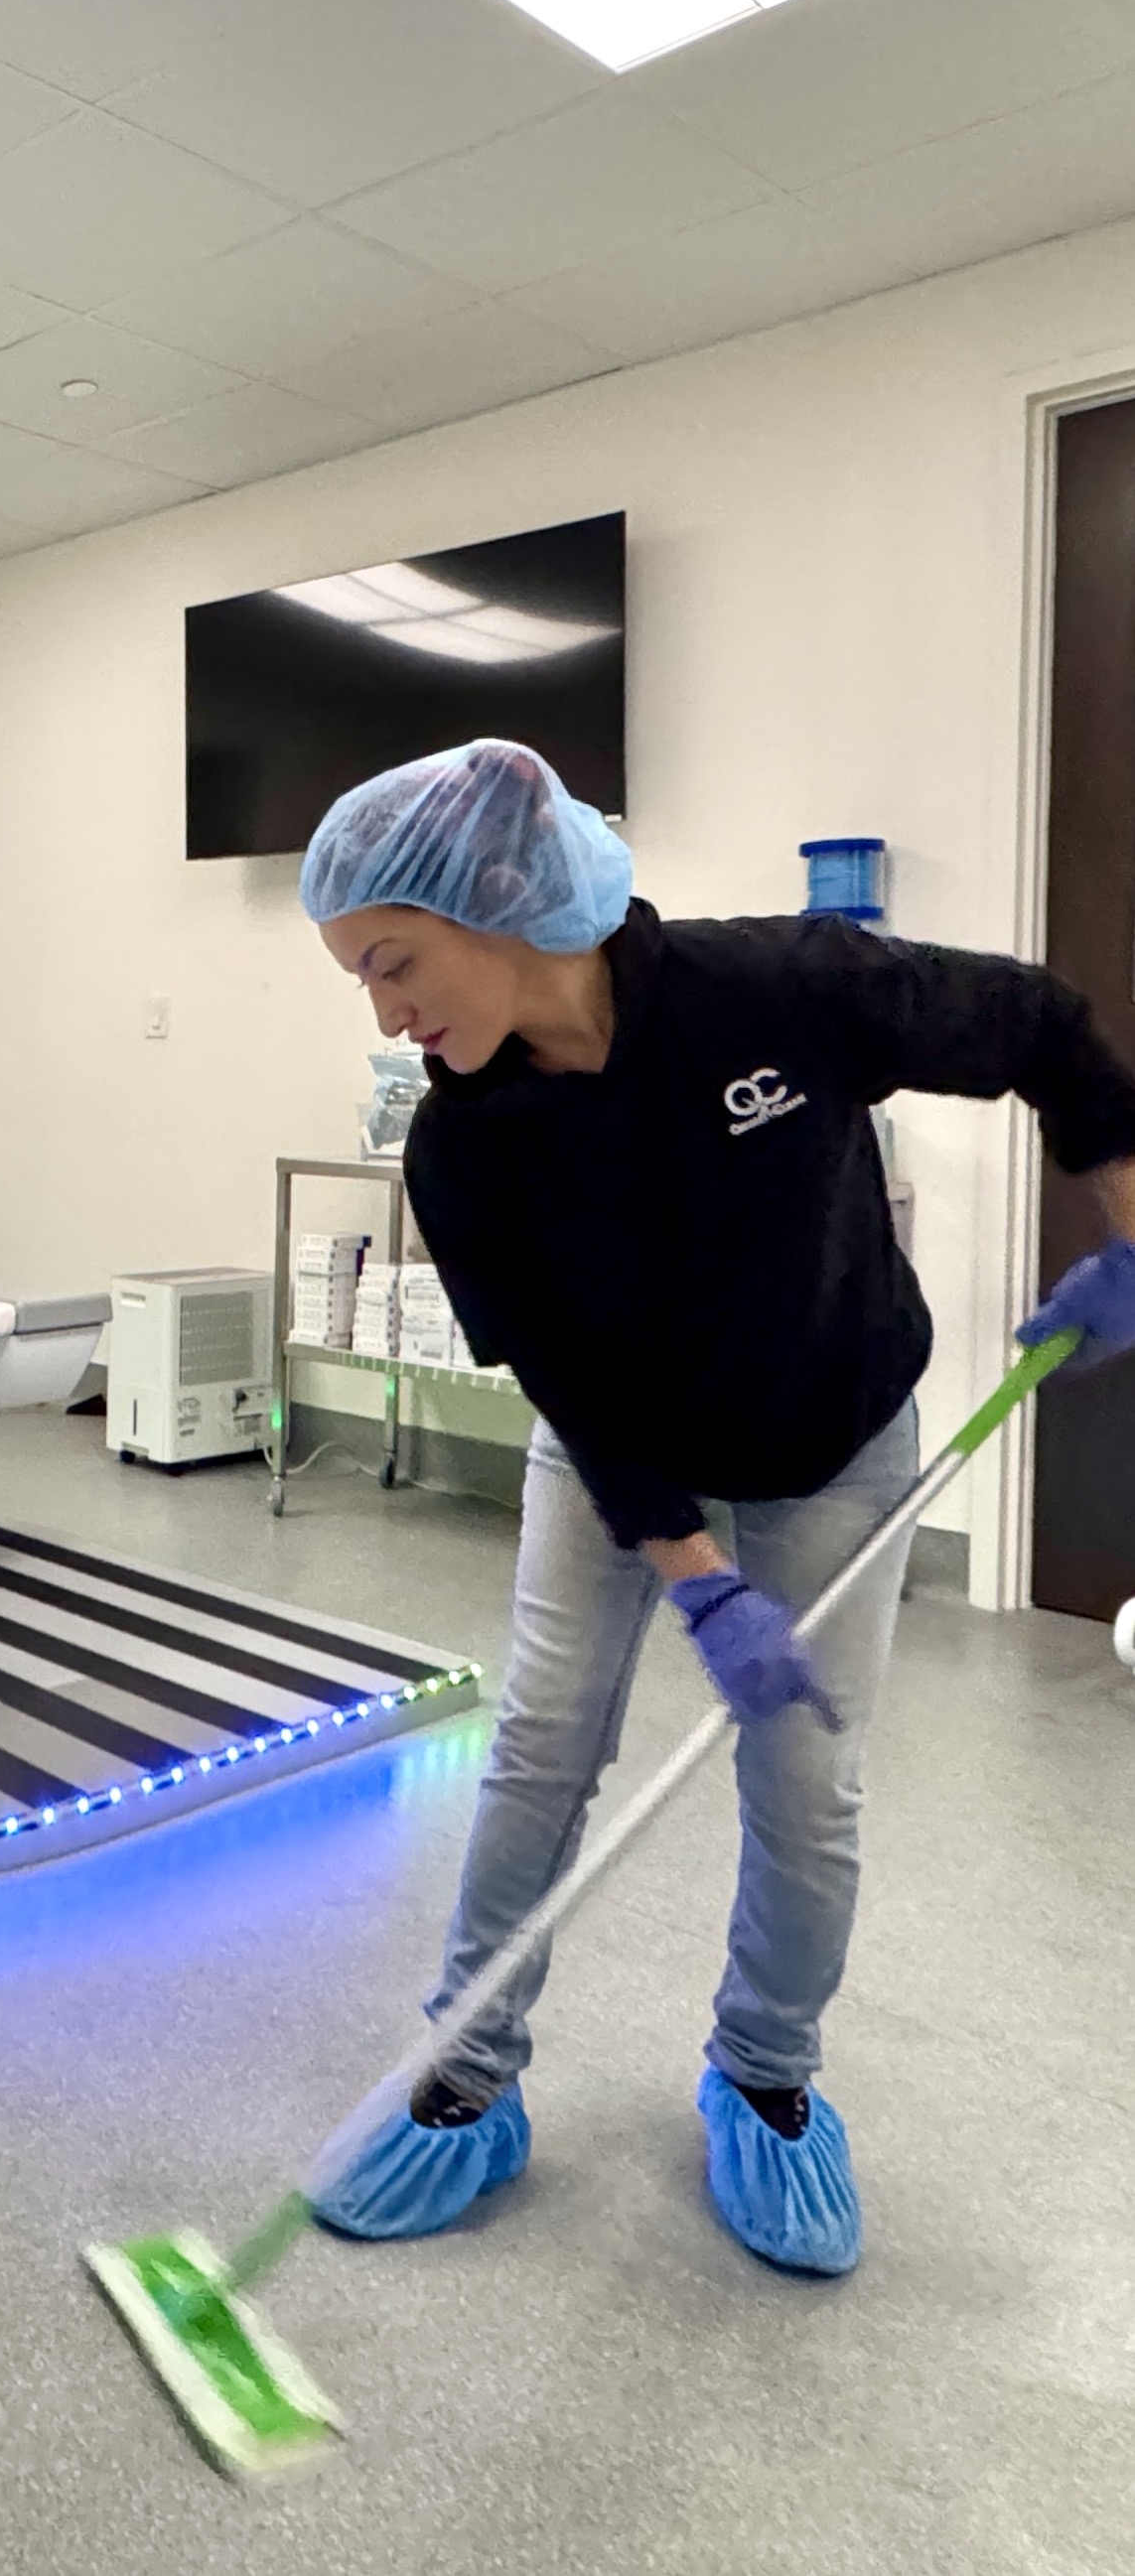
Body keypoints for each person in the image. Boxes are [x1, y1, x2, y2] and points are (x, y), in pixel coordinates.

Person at [297, 738, 1135, 2273]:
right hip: (616, 1450)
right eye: (361, 977)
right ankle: (466, 2078)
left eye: (395, 961)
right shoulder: (459, 1144)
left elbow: (1047, 1029)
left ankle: (767, 2075)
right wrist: (693, 1570)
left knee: (807, 1778)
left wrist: (1131, 1231)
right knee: (541, 1744)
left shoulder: (779, 990)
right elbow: (564, 1379)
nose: (386, 1012)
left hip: (835, 1434)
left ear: (501, 903)